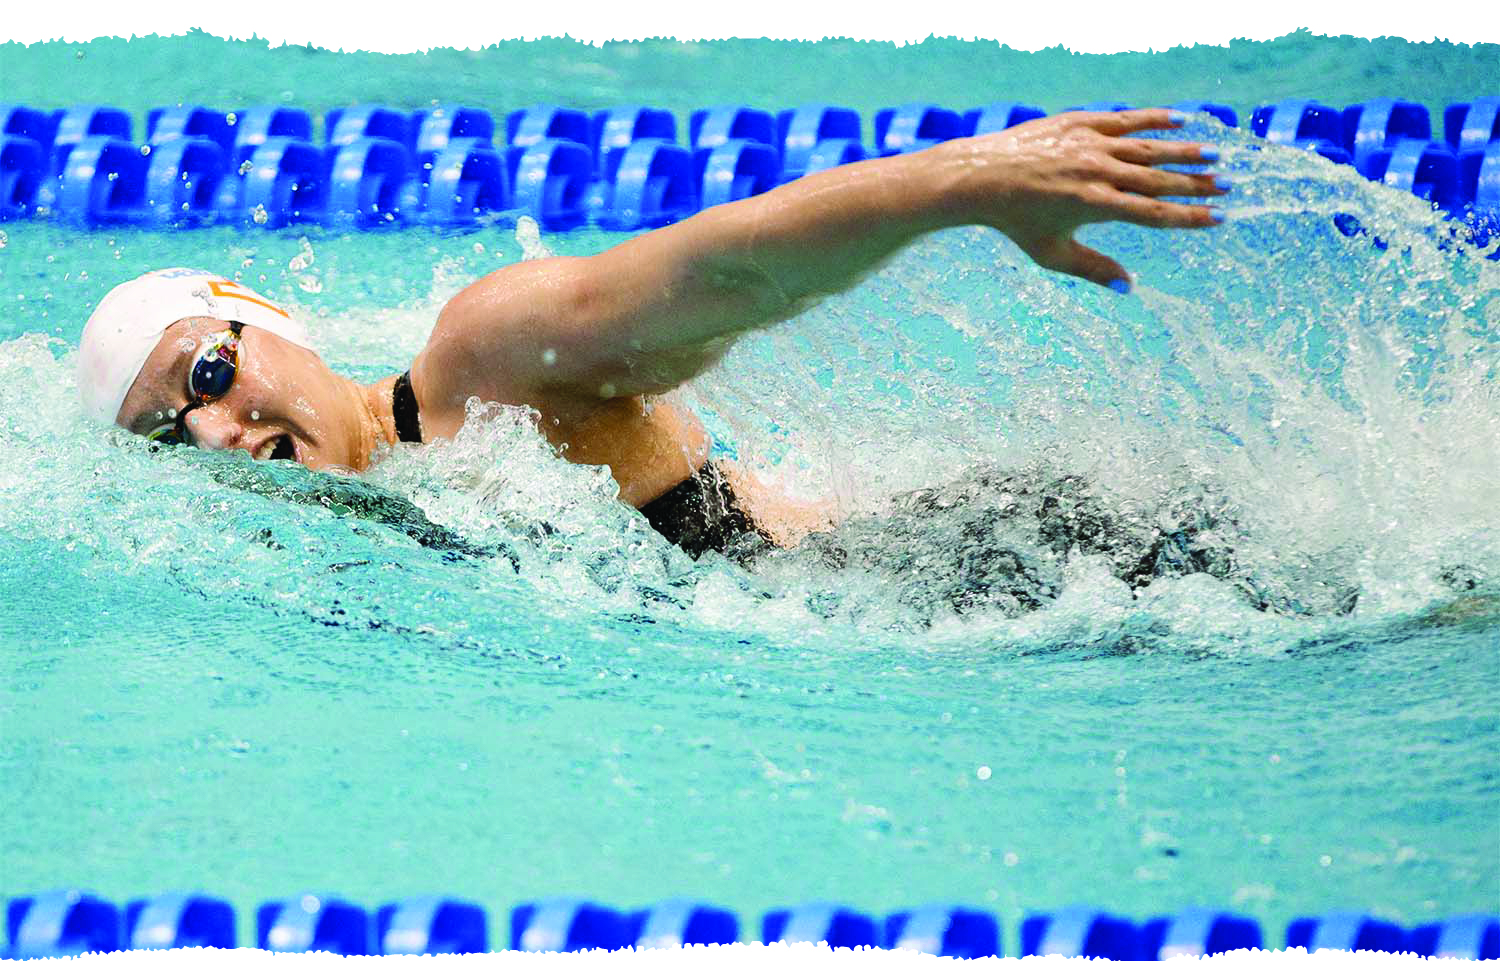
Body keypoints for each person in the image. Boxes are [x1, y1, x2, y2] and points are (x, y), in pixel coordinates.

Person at [78, 109, 1226, 562]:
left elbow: (725, 268)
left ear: (263, 317)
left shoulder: (479, 362)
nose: (218, 431)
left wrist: (966, 182)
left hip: (1019, 568)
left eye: (210, 373)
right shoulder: (383, 515)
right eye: (173, 439)